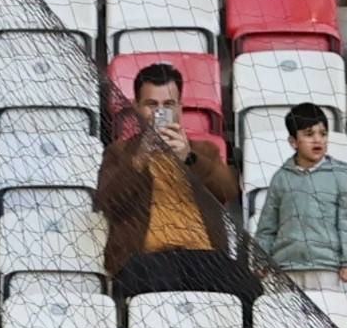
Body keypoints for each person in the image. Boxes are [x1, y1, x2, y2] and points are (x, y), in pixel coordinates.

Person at [95, 62, 257, 300]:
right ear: (136, 108)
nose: (159, 112)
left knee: (249, 289)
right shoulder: (119, 152)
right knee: (158, 287)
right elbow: (107, 202)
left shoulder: (204, 150)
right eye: (152, 104)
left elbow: (227, 190)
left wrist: (190, 158)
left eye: (168, 105)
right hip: (147, 258)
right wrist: (138, 161)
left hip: (203, 257)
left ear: (180, 108)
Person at [254, 102, 347, 293]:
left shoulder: (342, 175)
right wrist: (261, 260)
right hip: (285, 267)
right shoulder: (281, 178)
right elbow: (267, 225)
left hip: (327, 268)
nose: (317, 140)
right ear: (293, 142)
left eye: (323, 134)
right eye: (309, 134)